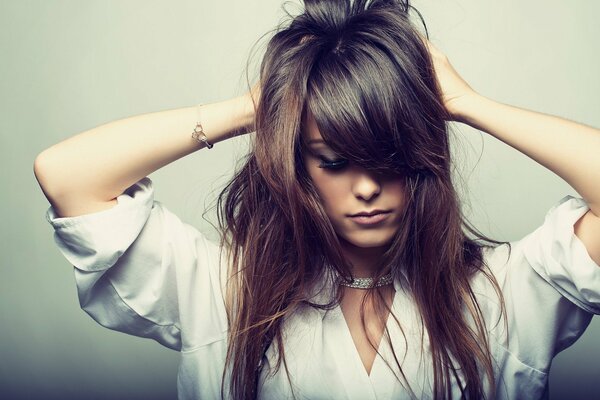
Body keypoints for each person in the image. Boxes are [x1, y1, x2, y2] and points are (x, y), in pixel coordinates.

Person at [34, 0, 600, 399]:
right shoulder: (225, 290)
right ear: (298, 163)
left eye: (392, 157)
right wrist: (263, 105)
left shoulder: (500, 295)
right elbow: (66, 176)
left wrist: (466, 102)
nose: (367, 186)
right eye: (334, 159)